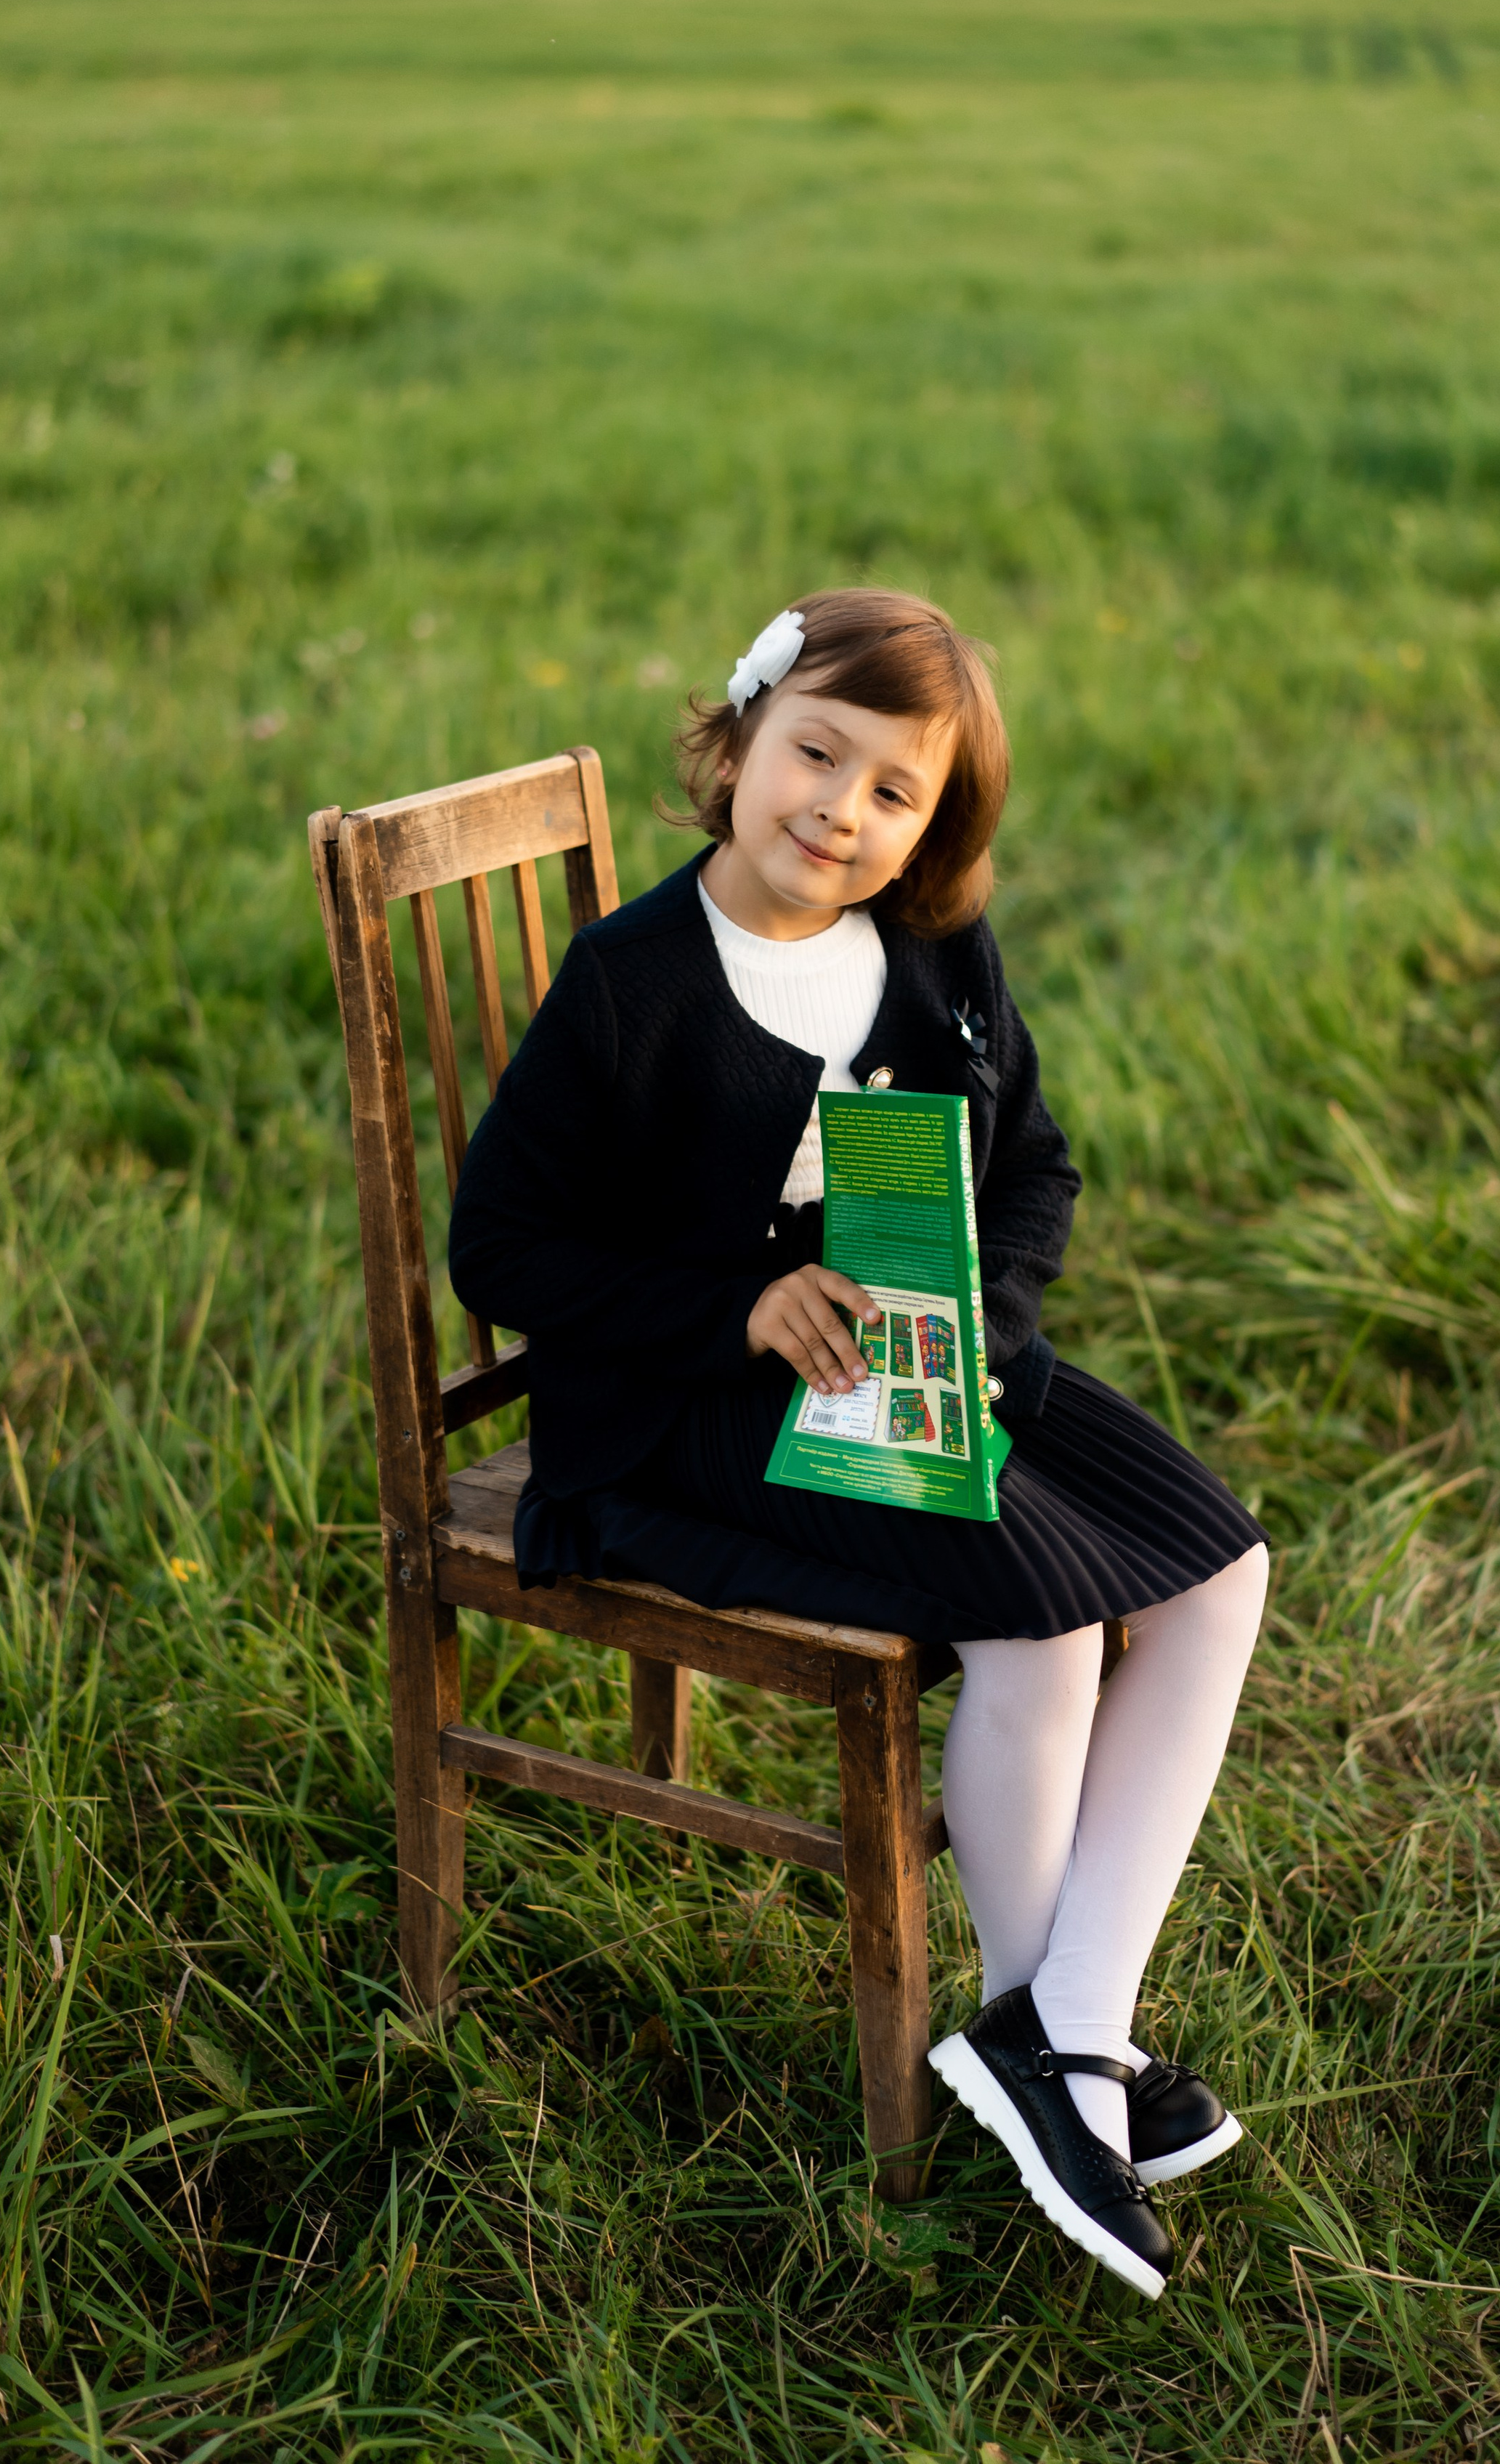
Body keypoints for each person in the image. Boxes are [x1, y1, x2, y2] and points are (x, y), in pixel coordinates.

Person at [449, 587, 1270, 2300]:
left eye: (895, 792)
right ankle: (1048, 2049)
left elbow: (1028, 1172)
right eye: (815, 754)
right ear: (738, 741)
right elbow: (501, 1248)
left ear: (931, 826)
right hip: (687, 1413)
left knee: (1218, 1572)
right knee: (1039, 1619)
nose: (840, 809)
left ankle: (1068, 2029)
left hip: (916, 1360)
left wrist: (993, 1340)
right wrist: (732, 1313)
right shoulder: (634, 985)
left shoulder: (933, 951)